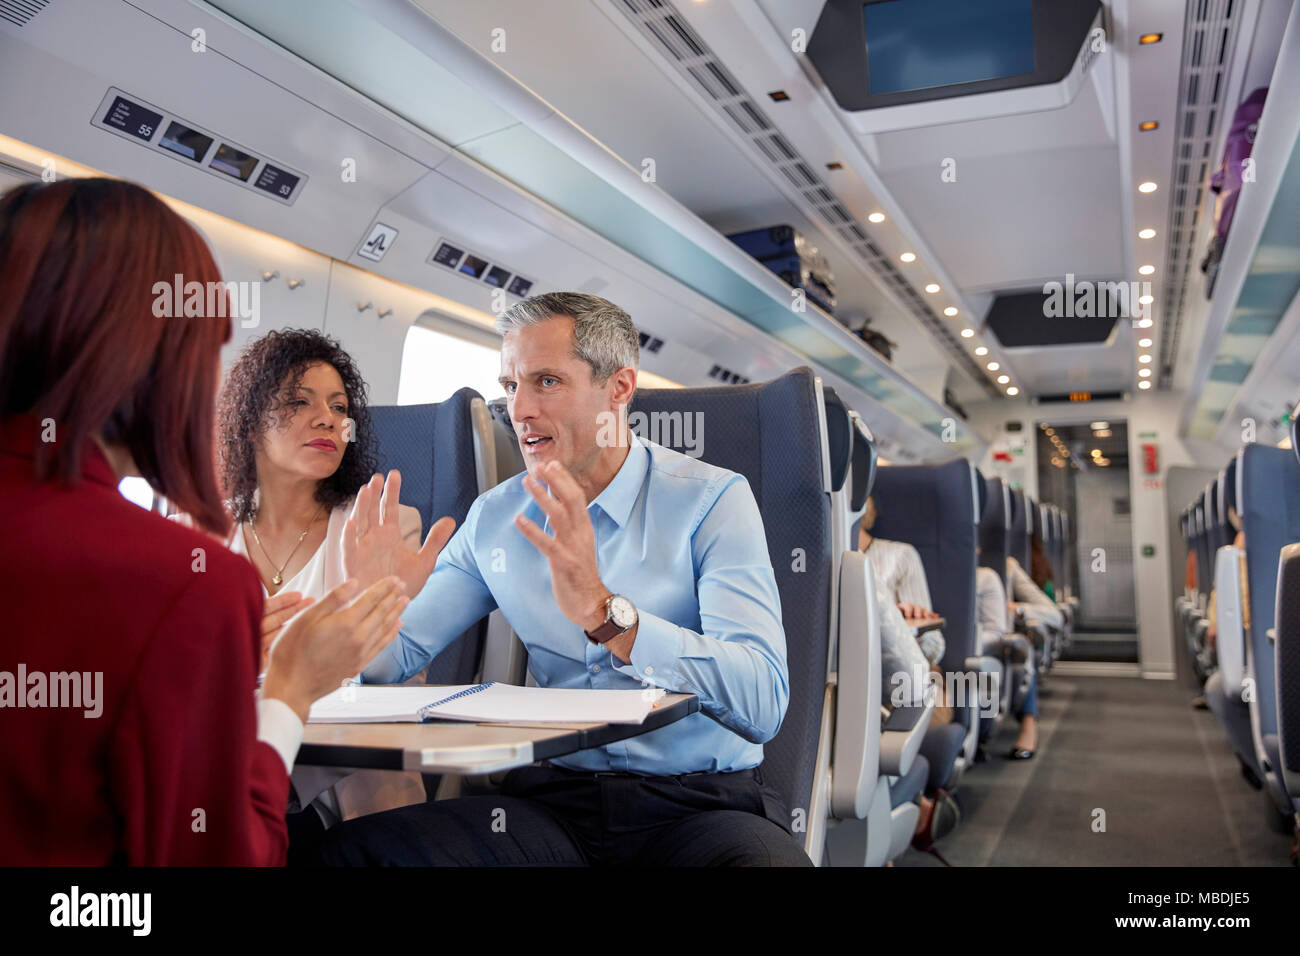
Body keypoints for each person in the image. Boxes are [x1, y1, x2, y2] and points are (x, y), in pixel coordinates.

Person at [317, 291, 811, 866]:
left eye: (546, 381)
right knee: (349, 856)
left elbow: (763, 703)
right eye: (509, 385)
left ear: (619, 389)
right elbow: (393, 661)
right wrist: (372, 608)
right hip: (551, 807)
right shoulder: (497, 519)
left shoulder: (712, 501)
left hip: (700, 806)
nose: (518, 409)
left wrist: (611, 618)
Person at [0, 178, 410, 864]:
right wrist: (286, 692)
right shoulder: (188, 575)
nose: (326, 421)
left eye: (339, 407)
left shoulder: (359, 528)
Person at [208, 329, 449, 858]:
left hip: (342, 801)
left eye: (339, 407)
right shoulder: (197, 534)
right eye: (299, 401)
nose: (328, 419)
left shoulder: (382, 528)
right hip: (222, 780)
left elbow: (400, 692)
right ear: (248, 423)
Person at [976, 566, 1039, 758]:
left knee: (1021, 651)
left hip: (995, 649)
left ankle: (1029, 722)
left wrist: (1019, 610)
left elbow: (1052, 613)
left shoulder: (1002, 570)